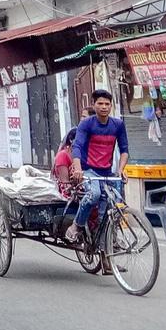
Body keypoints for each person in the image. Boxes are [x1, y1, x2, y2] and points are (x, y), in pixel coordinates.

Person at [66, 89, 129, 245]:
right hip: (88, 170)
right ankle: (76, 225)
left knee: (112, 205)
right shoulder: (86, 124)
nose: (104, 107)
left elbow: (124, 150)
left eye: (107, 104)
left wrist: (121, 170)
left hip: (107, 172)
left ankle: (107, 248)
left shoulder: (118, 125)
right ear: (94, 105)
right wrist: (78, 169)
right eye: (100, 103)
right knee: (93, 194)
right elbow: (77, 147)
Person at [52, 130, 77, 198]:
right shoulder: (63, 155)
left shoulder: (81, 154)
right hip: (67, 190)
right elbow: (65, 182)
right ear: (71, 140)